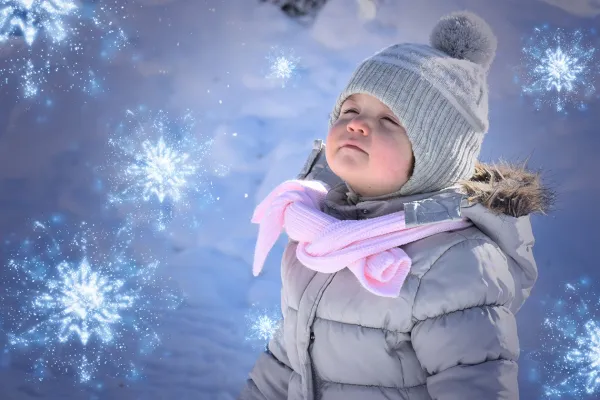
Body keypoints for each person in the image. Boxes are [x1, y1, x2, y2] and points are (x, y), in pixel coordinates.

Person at [239, 10, 553, 400]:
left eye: (390, 120)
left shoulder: (456, 263)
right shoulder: (322, 233)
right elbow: (288, 358)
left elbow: (474, 385)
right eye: (350, 111)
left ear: (434, 156)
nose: (357, 124)